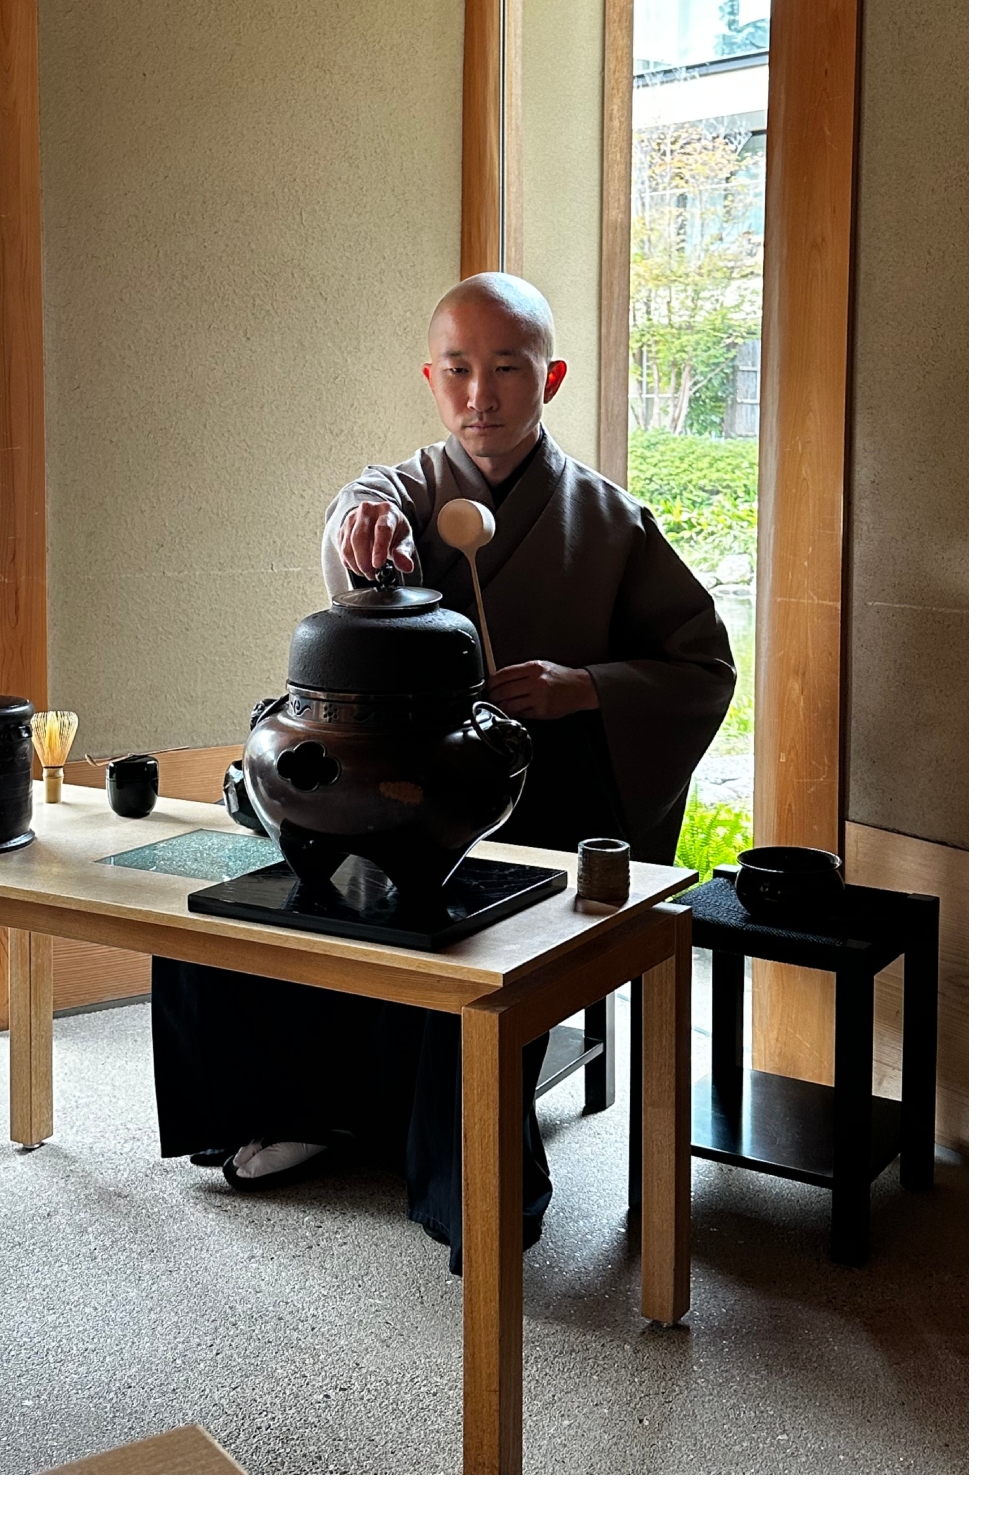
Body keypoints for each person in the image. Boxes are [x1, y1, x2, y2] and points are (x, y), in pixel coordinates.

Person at [152, 272, 736, 1268]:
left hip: (542, 795)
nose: (483, 394)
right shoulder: (410, 492)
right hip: (390, 791)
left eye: (508, 368)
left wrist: (581, 685)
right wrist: (355, 521)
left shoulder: (608, 521)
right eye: (458, 369)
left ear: (547, 377)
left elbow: (701, 667)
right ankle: (299, 1109)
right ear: (432, 378)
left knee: (452, 921)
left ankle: (461, 1172)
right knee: (243, 902)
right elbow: (362, 502)